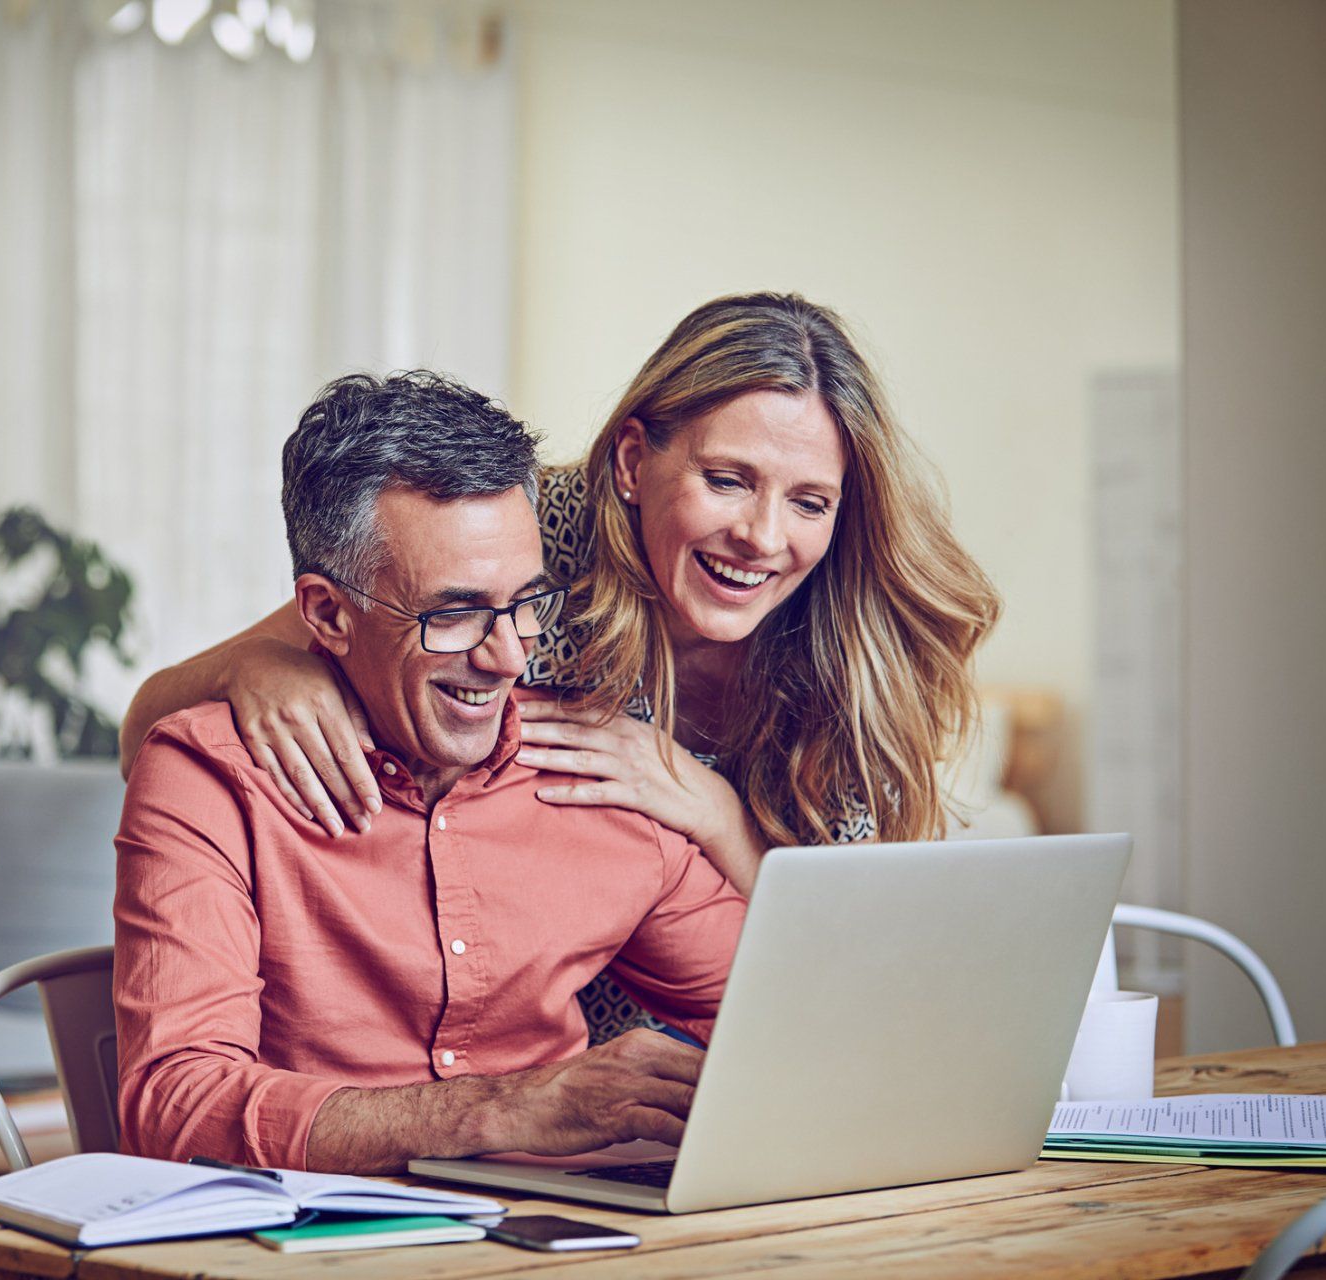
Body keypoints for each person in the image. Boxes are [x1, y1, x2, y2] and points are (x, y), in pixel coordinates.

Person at [119, 292, 1000, 1042]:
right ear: (630, 461)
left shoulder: (857, 650)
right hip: (543, 1054)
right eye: (727, 479)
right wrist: (266, 666)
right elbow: (160, 718)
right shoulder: (520, 538)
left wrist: (713, 813)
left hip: (748, 1032)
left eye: (810, 501)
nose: (764, 538)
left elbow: (860, 974)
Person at [113, 371, 747, 1174]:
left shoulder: (597, 775)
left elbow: (789, 1015)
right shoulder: (210, 777)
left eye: (526, 603)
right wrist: (506, 1108)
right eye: (453, 614)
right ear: (329, 614)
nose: (509, 656)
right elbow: (175, 1108)